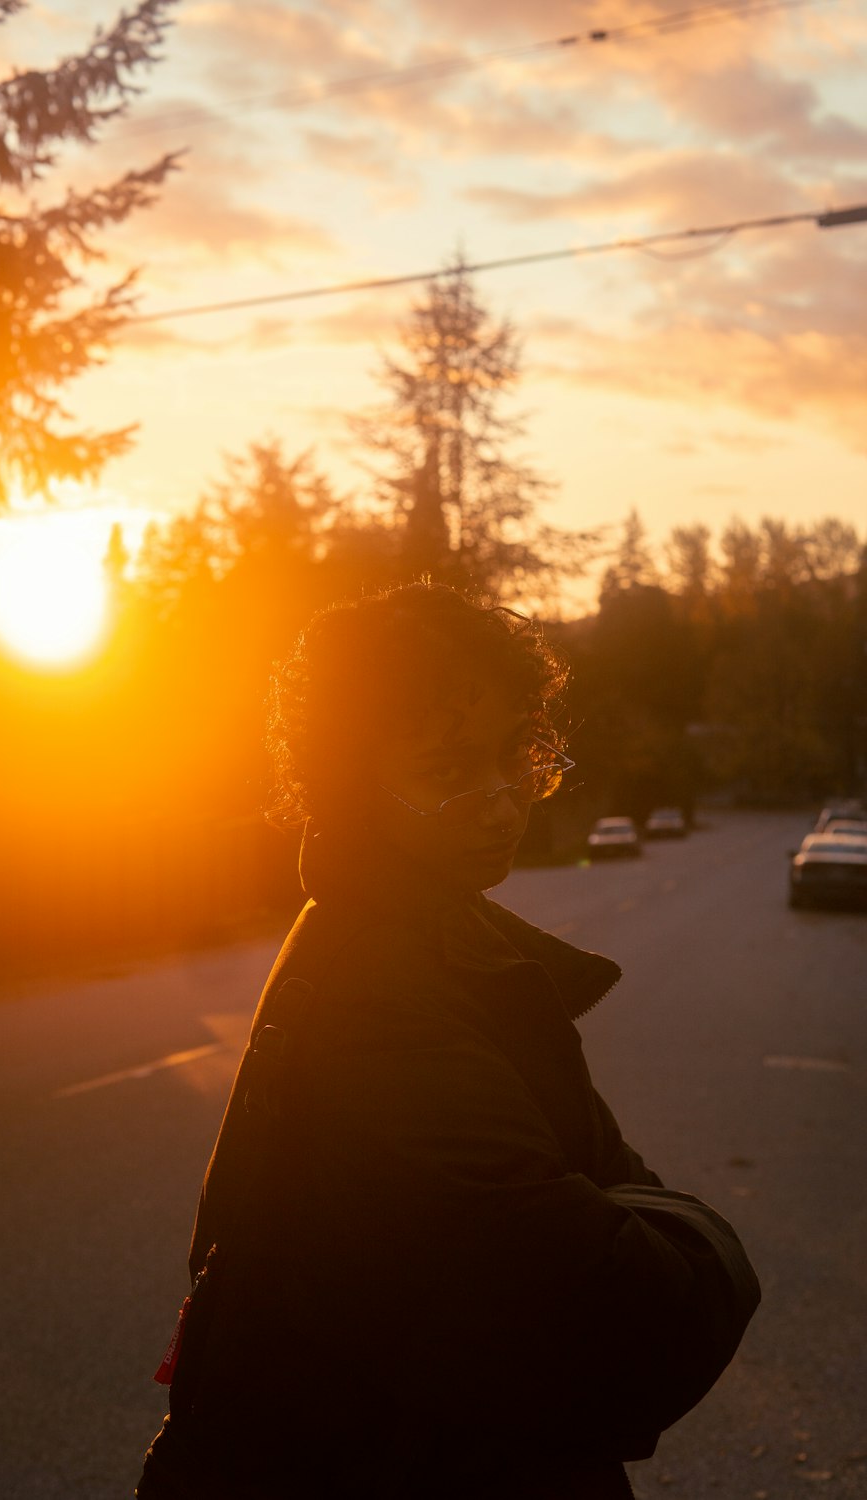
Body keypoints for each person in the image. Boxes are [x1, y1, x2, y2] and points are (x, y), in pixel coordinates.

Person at [137, 583, 760, 1500]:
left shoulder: (435, 947)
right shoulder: (384, 1001)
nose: (503, 800)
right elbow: (626, 1319)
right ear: (347, 787)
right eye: (447, 769)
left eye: (520, 754)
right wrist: (712, 1240)